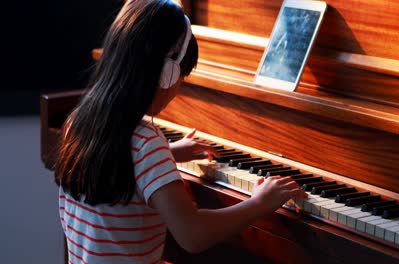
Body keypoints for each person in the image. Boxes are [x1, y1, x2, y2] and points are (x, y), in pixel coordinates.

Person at [55, 0, 307, 263]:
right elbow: (193, 235)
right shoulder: (146, 144)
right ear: (168, 73)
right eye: (182, 78)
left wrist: (168, 153)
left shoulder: (78, 121)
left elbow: (120, 164)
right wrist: (258, 204)